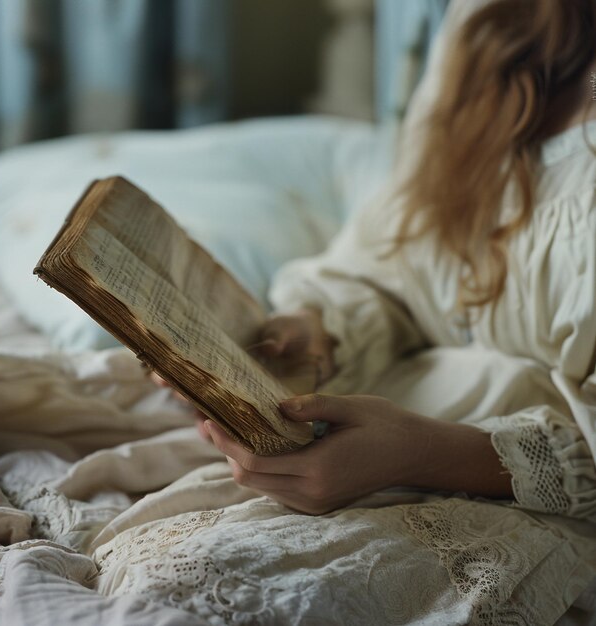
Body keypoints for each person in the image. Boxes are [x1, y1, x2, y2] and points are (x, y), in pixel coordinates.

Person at [157, 0, 596, 518]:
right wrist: (314, 335)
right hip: (402, 420)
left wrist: (423, 454)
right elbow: (396, 266)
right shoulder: (486, 20)